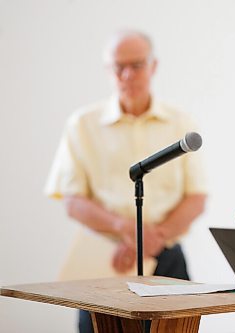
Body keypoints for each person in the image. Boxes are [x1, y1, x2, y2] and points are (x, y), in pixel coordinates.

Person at [45, 30, 207, 332]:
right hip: (106, 260)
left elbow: (196, 198)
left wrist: (153, 238)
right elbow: (72, 200)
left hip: (166, 256)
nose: (127, 75)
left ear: (153, 66)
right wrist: (125, 230)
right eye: (117, 67)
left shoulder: (180, 122)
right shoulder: (82, 124)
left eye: (136, 65)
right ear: (108, 70)